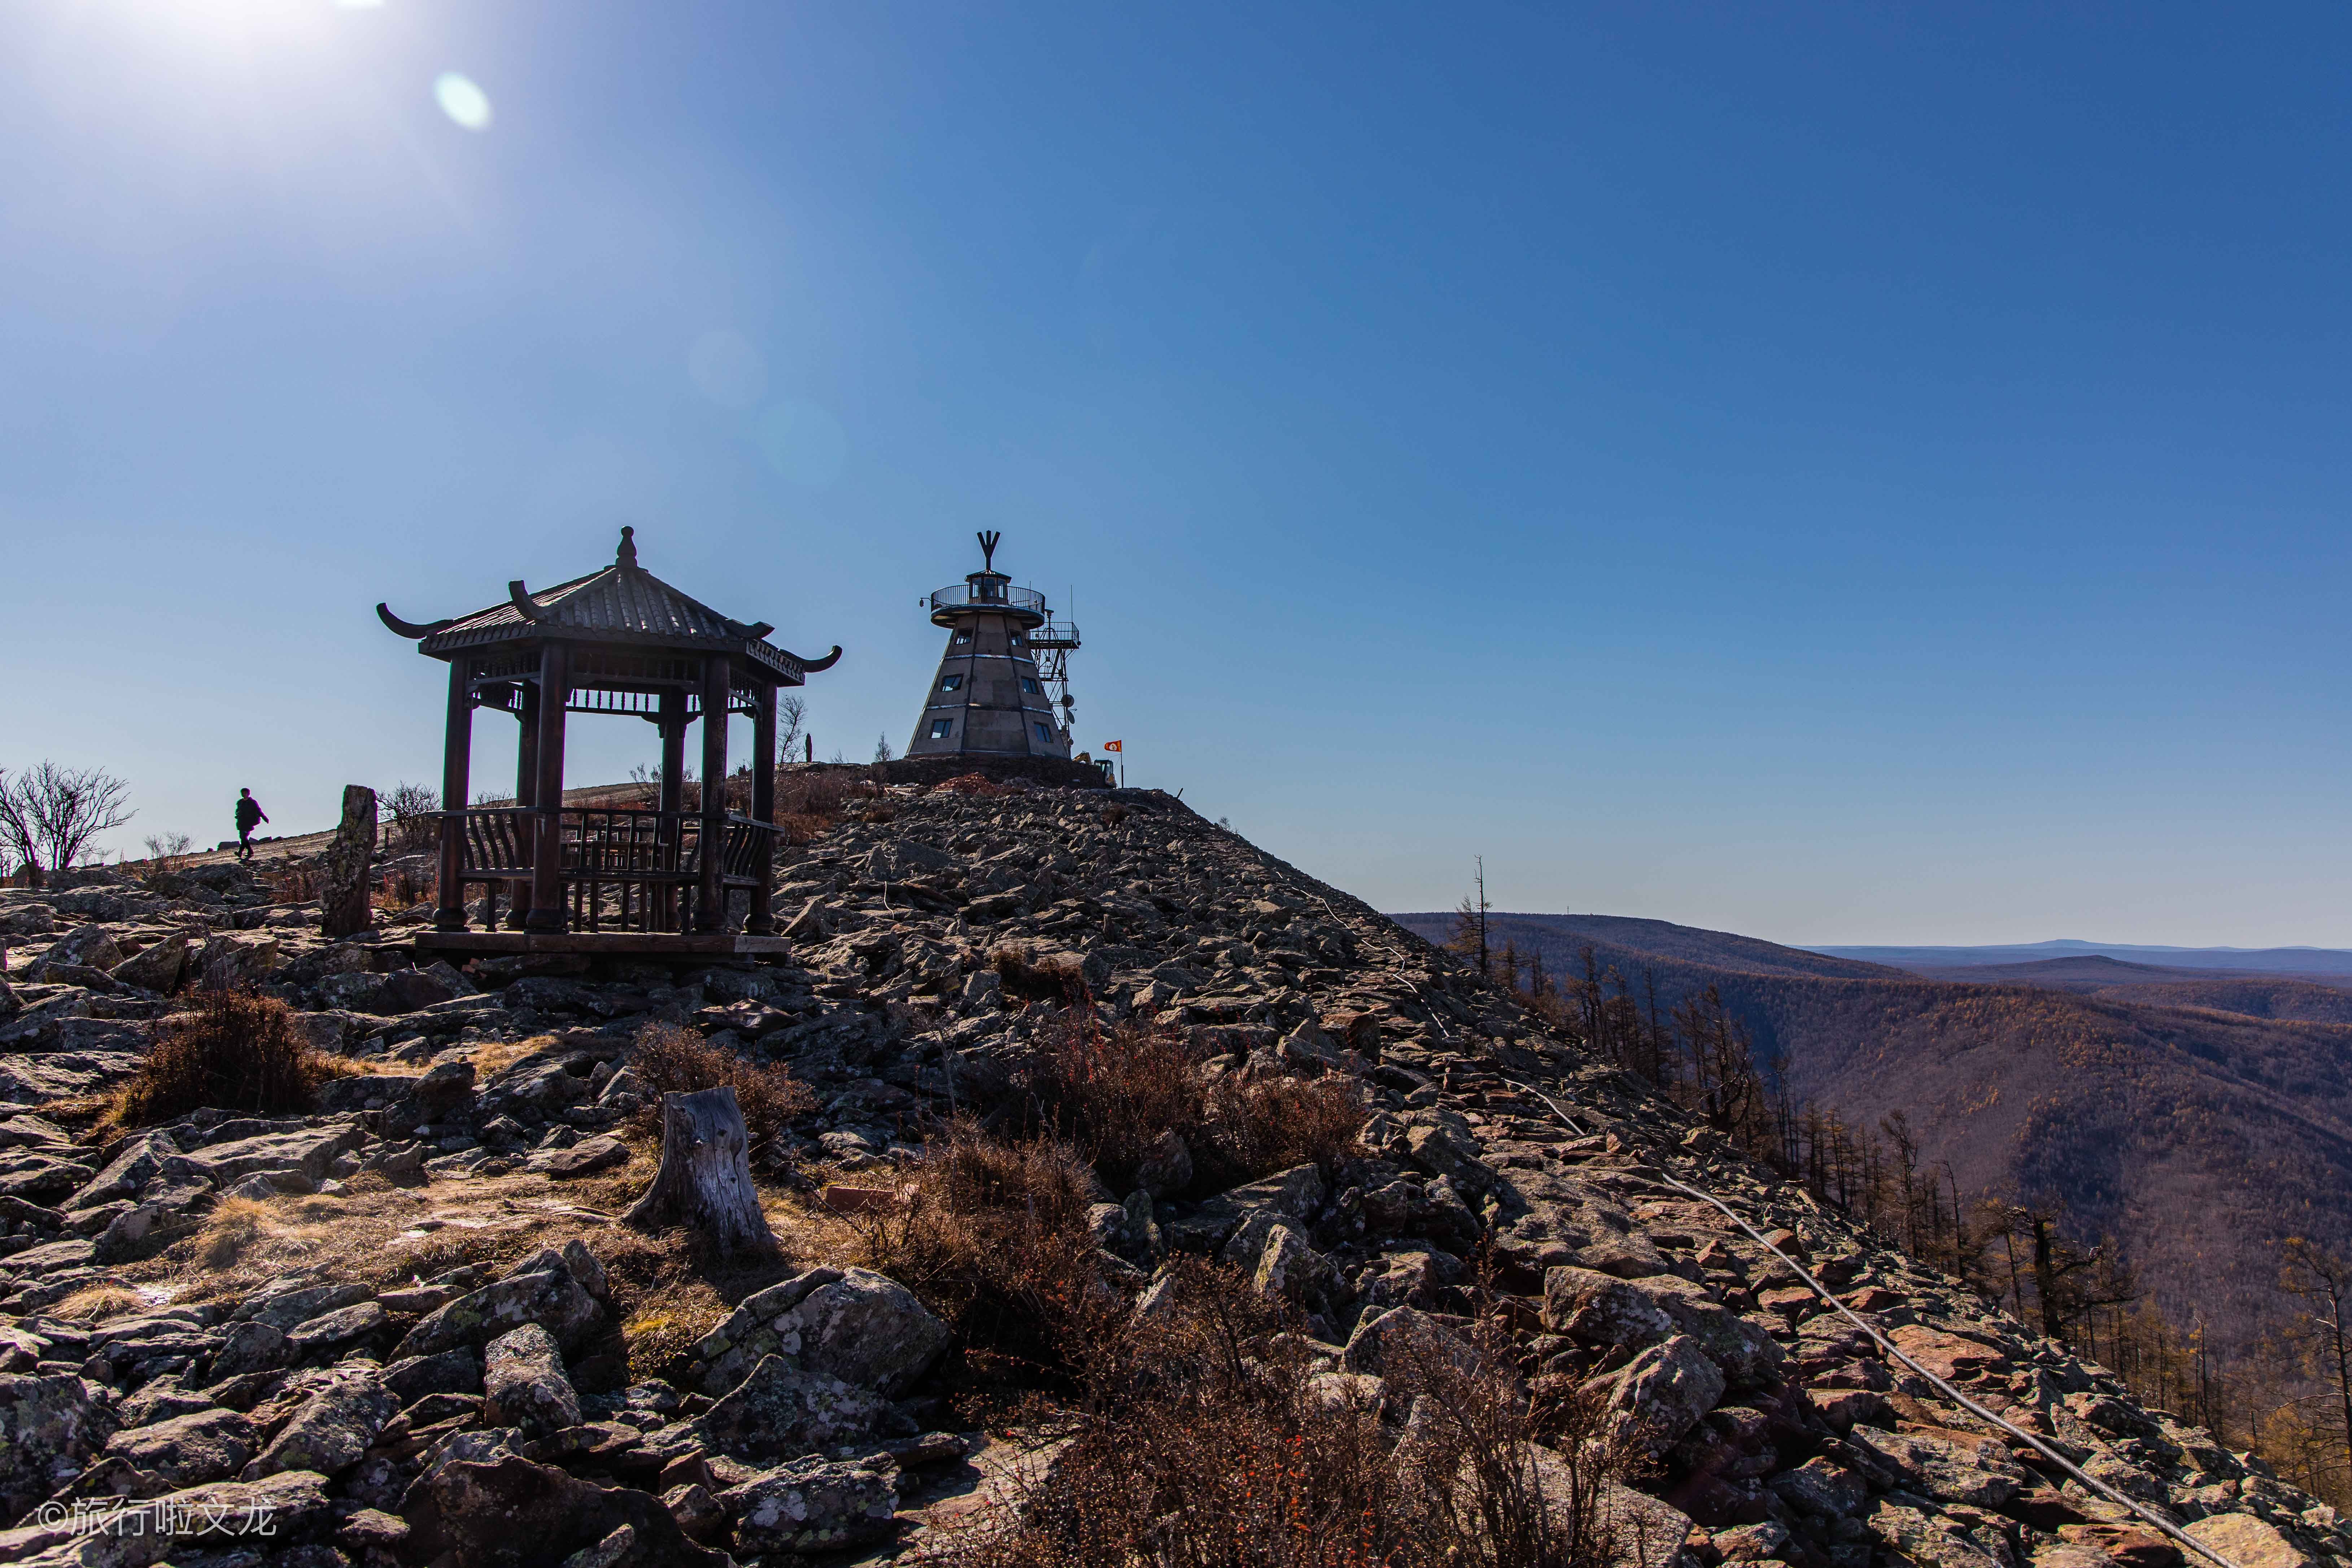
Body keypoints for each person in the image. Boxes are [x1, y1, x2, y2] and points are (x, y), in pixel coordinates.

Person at [234, 789, 268, 861]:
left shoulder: (252, 802)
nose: (244, 795)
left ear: (248, 794)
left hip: (249, 822)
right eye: (243, 793)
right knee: (243, 837)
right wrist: (238, 815)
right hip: (241, 822)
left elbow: (259, 811)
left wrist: (265, 818)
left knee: (244, 837)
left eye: (245, 793)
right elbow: (238, 811)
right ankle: (249, 851)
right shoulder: (240, 802)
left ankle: (242, 852)